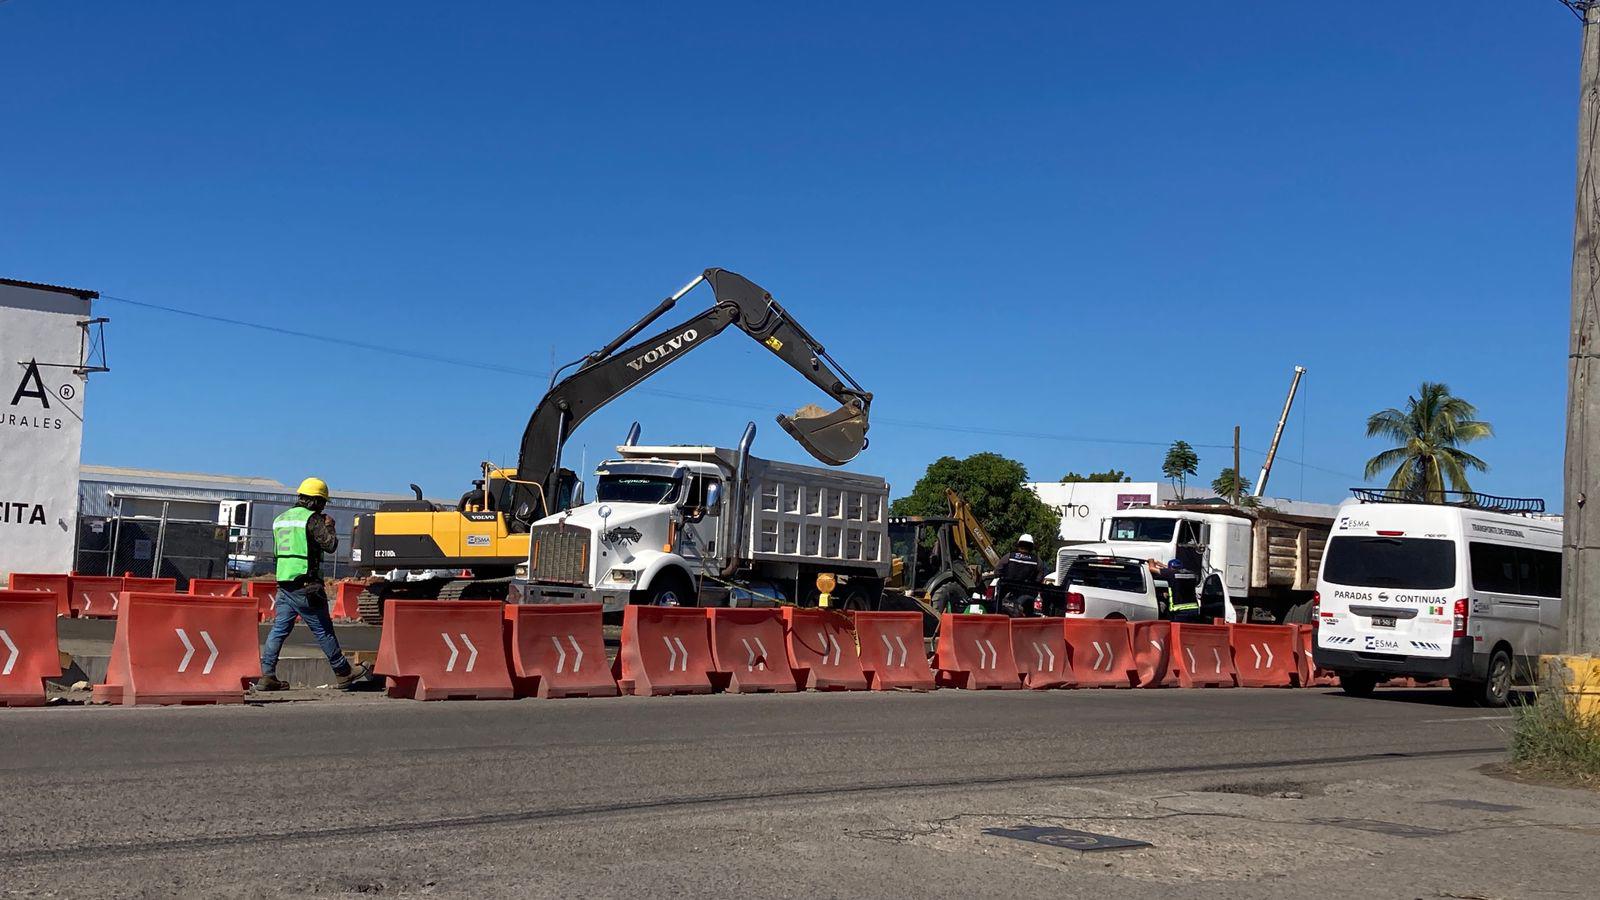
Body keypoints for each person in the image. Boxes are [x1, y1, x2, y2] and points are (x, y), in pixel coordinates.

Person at [256, 478, 371, 691]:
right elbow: (330, 545)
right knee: (323, 630)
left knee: (279, 630)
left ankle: (267, 674)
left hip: (284, 582)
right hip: (306, 585)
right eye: (323, 502)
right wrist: (330, 526)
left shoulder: (280, 519)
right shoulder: (312, 519)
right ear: (316, 501)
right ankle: (343, 672)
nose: (324, 507)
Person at [991, 533, 1043, 617]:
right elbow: (1039, 578)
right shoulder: (1037, 561)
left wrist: (1004, 579)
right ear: (1031, 546)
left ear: (1019, 544)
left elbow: (997, 571)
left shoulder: (1009, 556)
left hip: (1006, 593)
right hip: (1026, 596)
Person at [1149, 557, 1203, 622]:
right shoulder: (1192, 574)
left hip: (1179, 611)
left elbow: (1151, 568)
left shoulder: (1170, 574)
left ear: (1170, 568)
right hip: (1194, 610)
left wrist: (1151, 560)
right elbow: (1173, 570)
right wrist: (1162, 565)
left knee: (1178, 630)